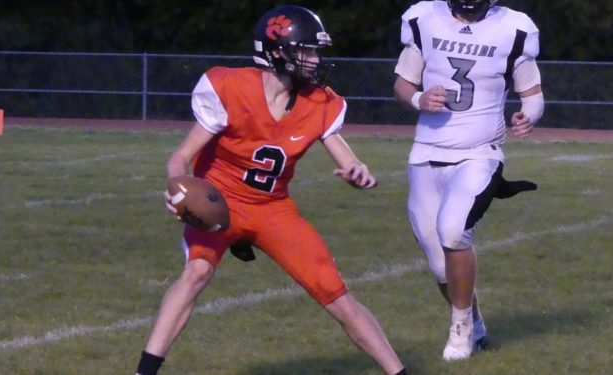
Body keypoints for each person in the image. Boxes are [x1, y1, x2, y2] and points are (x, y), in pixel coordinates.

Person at [135, 5, 407, 375]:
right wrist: (177, 189)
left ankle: (398, 372)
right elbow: (181, 157)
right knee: (197, 272)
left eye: (315, 51)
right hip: (220, 200)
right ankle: (144, 371)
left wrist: (355, 169)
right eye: (306, 51)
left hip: (271, 208)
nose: (314, 59)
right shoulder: (230, 87)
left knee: (336, 296)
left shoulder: (320, 101)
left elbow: (342, 152)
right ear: (277, 51)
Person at [393, 0, 544, 362]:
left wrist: (529, 116)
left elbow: (532, 93)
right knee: (437, 262)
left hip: (479, 151)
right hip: (426, 152)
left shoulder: (513, 27)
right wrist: (417, 98)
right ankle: (474, 325)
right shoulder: (424, 18)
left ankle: (459, 329)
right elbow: (403, 83)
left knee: (453, 232)